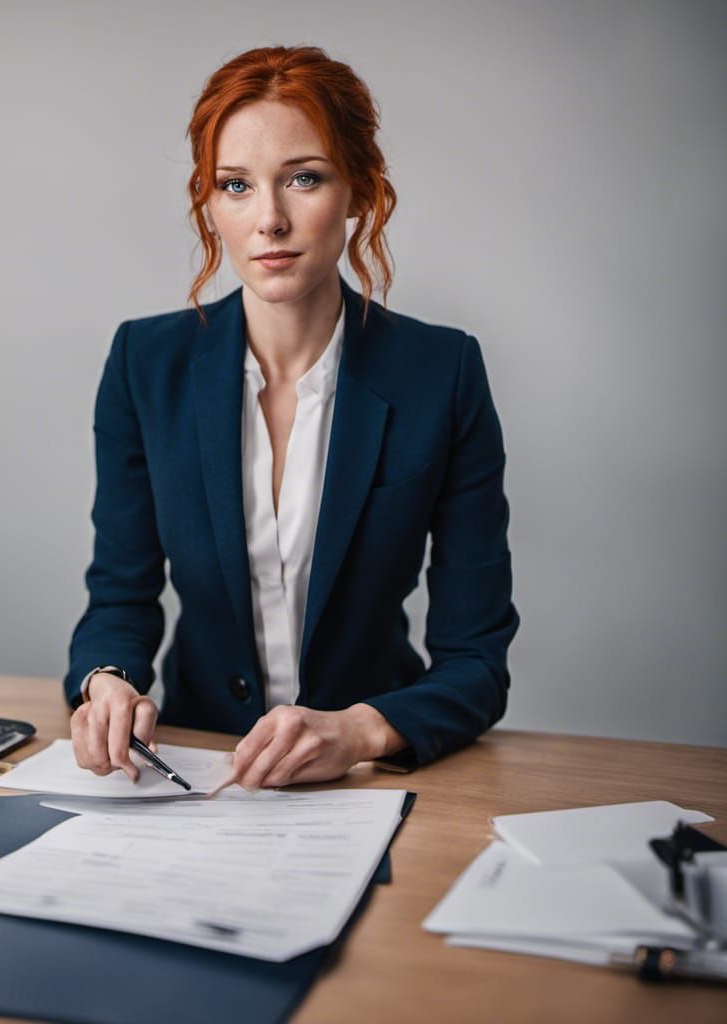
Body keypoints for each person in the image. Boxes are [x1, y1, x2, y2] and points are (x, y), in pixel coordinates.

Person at [63, 45, 518, 789]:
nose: (268, 219)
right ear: (208, 203)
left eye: (303, 178)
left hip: (374, 779)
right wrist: (105, 683)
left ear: (362, 190)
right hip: (193, 768)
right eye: (235, 186)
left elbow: (477, 662)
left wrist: (362, 729)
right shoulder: (144, 364)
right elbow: (120, 596)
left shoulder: (444, 375)